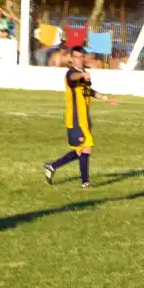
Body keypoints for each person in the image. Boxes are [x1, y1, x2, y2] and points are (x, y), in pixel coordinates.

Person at [43, 47, 118, 188]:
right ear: (72, 59)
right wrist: (82, 75)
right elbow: (73, 78)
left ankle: (52, 166)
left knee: (79, 151)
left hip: (84, 119)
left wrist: (106, 98)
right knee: (87, 147)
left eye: (81, 56)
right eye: (76, 57)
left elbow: (89, 91)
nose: (79, 59)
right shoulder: (71, 73)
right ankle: (85, 183)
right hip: (75, 119)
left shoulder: (83, 74)